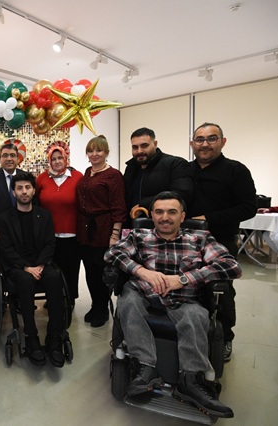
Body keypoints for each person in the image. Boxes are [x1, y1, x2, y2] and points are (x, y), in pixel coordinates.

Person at [104, 191, 240, 419]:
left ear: (182, 216)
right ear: (152, 215)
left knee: (196, 315)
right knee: (128, 299)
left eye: (171, 212)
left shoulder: (200, 238)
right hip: (144, 295)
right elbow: (112, 253)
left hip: (185, 299)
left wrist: (184, 279)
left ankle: (191, 380)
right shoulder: (139, 235)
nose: (165, 217)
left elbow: (231, 266)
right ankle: (145, 368)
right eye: (159, 212)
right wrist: (143, 272)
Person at [188, 122, 257, 362]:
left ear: (222, 141)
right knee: (189, 288)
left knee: (221, 291)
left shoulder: (236, 171)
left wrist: (208, 218)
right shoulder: (185, 171)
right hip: (188, 243)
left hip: (221, 242)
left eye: (211, 138)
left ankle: (224, 336)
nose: (205, 144)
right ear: (192, 144)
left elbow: (248, 207)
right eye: (200, 139)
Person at [0, 172, 66, 368]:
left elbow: (50, 244)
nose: (24, 191)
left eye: (27, 187)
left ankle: (54, 337)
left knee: (54, 278)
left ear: (34, 190)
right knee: (25, 281)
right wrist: (26, 267)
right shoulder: (5, 218)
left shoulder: (44, 215)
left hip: (41, 264)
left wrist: (40, 265)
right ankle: (31, 337)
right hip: (17, 266)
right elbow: (6, 248)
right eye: (19, 188)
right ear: (13, 192)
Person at [76, 135, 127, 327]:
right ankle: (95, 304)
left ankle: (102, 308)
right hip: (85, 230)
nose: (94, 154)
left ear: (106, 152)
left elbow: (119, 206)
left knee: (101, 272)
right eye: (90, 151)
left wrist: (115, 234)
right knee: (89, 271)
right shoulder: (88, 172)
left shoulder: (113, 175)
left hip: (103, 229)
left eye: (98, 150)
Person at [36, 141, 82, 304]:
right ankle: (53, 299)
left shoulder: (77, 177)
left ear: (65, 158)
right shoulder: (42, 179)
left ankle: (70, 299)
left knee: (71, 269)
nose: (57, 161)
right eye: (53, 159)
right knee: (51, 270)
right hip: (49, 235)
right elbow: (36, 205)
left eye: (59, 158)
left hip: (72, 234)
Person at [123, 127, 193, 224]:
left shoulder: (176, 164)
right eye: (135, 147)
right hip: (132, 226)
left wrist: (143, 204)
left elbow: (182, 194)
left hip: (164, 225)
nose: (139, 151)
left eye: (144, 146)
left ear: (155, 144)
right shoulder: (130, 168)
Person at [0, 142, 26, 267]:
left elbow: (32, 204)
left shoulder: (25, 176)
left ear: (18, 158)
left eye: (12, 155)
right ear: (0, 158)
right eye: (5, 155)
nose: (9, 158)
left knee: (21, 268)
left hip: (22, 234)